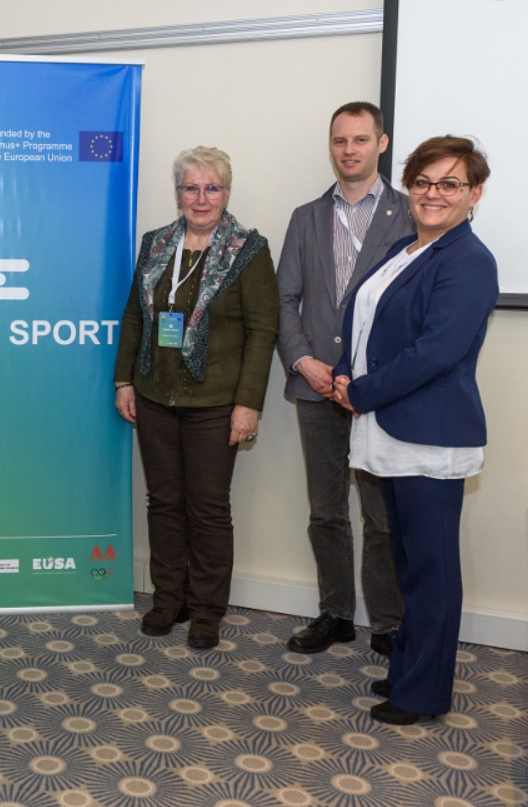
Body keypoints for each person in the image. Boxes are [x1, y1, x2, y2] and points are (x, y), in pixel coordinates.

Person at [332, 136, 497, 725]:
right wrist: (346, 370)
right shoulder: (406, 248)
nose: (433, 194)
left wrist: (360, 392)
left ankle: (423, 693)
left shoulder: (469, 260)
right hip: (391, 428)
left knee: (431, 571)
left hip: (430, 435)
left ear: (474, 194)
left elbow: (436, 351)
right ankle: (408, 670)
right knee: (408, 564)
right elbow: (363, 321)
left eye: (450, 184)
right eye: (423, 182)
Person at [115, 146, 279, 650]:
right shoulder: (155, 244)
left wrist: (248, 403)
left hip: (216, 404)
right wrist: (124, 381)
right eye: (191, 188)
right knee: (163, 503)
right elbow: (136, 315)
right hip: (155, 397)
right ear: (178, 193)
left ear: (225, 193)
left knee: (207, 509)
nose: (201, 198)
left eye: (211, 188)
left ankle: (207, 609)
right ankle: (170, 599)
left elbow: (262, 330)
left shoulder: (248, 250)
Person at [277, 102, 412, 657]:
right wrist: (304, 361)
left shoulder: (411, 215)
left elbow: (414, 309)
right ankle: (335, 613)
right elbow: (284, 299)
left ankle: (388, 623)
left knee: (382, 517)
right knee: (325, 511)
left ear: (381, 143)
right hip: (315, 388)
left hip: (378, 394)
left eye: (360, 139)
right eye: (339, 140)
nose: (349, 150)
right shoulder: (305, 217)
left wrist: (370, 376)